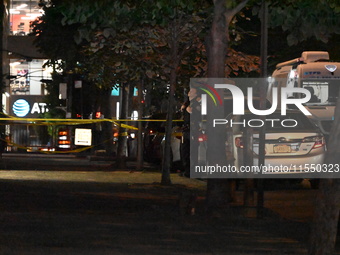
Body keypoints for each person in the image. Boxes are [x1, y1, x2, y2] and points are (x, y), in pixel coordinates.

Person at [180, 88, 202, 177]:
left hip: (193, 130)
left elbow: (199, 115)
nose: (189, 92)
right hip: (186, 130)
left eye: (192, 91)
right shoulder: (187, 103)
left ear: (196, 94)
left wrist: (192, 111)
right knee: (185, 151)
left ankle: (192, 171)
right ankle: (187, 170)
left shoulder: (196, 103)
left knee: (192, 151)